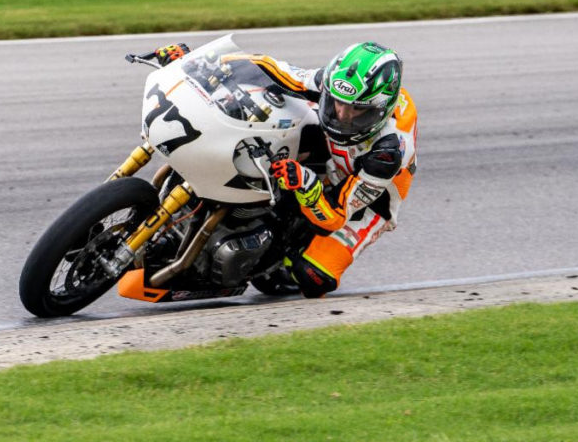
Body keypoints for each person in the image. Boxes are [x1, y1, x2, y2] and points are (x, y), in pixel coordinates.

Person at [153, 41, 418, 298]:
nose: (342, 115)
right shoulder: (337, 85)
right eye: (336, 103)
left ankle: (274, 254)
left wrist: (307, 185)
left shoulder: (388, 152)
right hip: (336, 152)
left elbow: (336, 216)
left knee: (311, 277)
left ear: (380, 111)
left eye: (357, 111)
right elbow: (272, 69)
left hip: (367, 199)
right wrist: (197, 63)